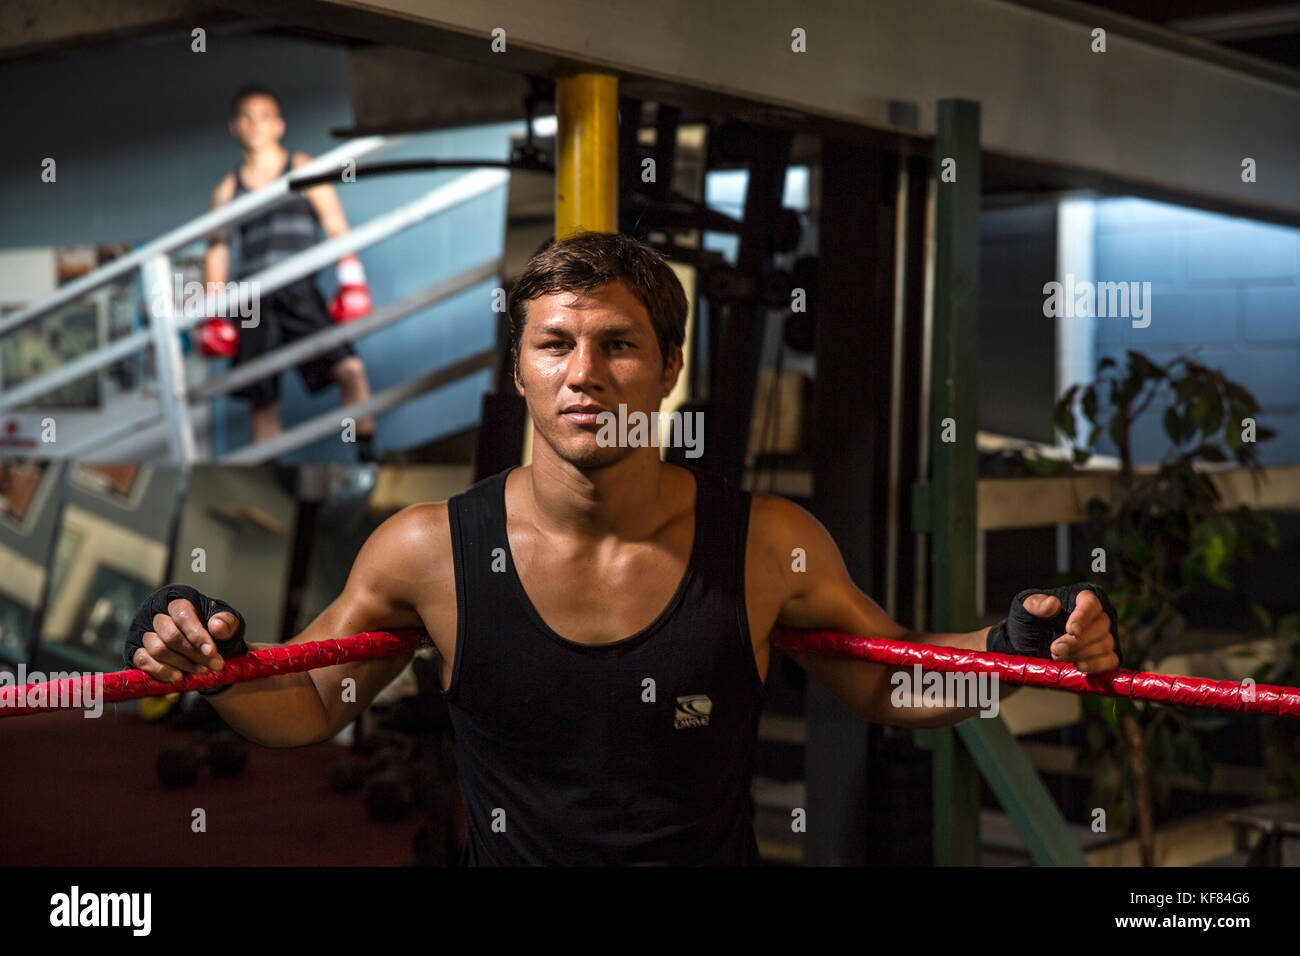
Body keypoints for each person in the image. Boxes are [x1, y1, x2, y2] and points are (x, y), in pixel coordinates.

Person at [124, 232, 1118, 865]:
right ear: (519, 366)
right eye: (554, 343)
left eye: (619, 344)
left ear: (669, 369)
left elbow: (887, 683)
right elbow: (303, 706)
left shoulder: (767, 543)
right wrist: (214, 664)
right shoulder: (426, 549)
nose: (584, 374)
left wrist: (1013, 646)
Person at [200, 83, 378, 461]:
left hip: (299, 290)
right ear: (235, 126)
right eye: (246, 117)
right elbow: (217, 248)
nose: (255, 124)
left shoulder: (301, 167)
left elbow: (334, 223)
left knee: (351, 370)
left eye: (264, 116)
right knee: (263, 401)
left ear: (278, 125)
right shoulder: (227, 189)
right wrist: (212, 311)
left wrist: (352, 278)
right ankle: (269, 468)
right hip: (251, 300)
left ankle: (365, 458)